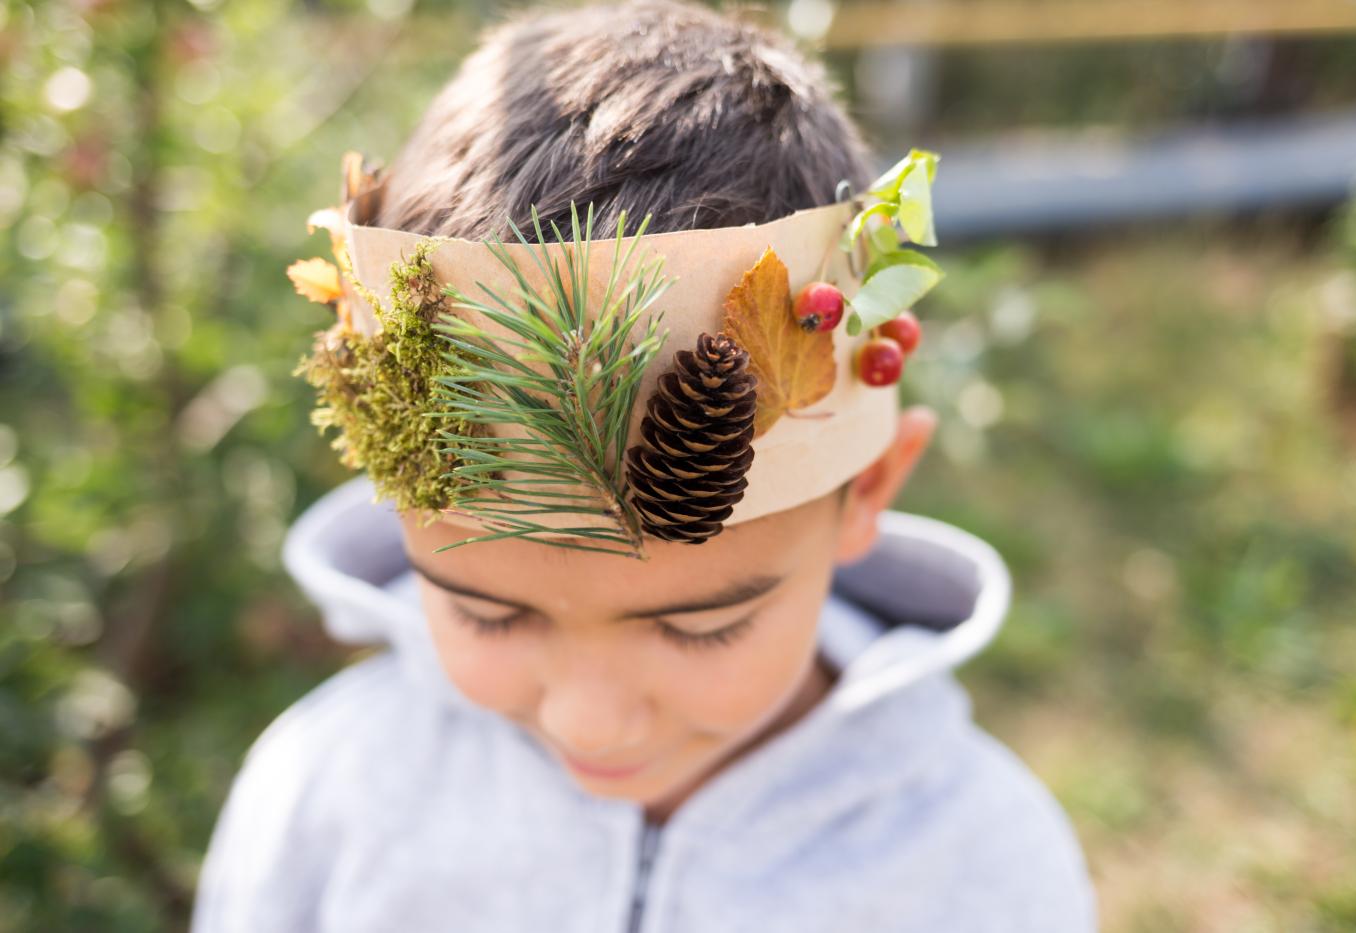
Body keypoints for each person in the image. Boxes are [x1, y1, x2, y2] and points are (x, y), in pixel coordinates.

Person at [192, 1, 1097, 930]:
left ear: (867, 486)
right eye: (486, 614)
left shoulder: (978, 867)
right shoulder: (328, 793)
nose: (590, 720)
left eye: (700, 628)